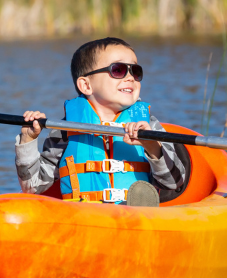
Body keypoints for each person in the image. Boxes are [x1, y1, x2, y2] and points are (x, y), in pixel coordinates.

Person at [14, 37, 186, 206]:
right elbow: (33, 186)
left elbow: (174, 183)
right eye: (118, 70)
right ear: (86, 85)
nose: (130, 77)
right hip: (84, 218)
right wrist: (28, 141)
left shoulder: (148, 125)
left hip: (136, 218)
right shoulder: (66, 130)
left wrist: (152, 146)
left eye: (135, 71)